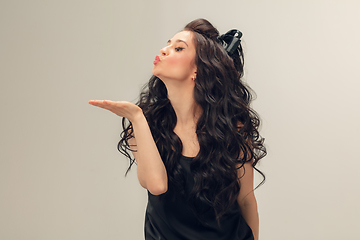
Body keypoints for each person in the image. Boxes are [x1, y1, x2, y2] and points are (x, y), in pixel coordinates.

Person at [89, 18, 266, 240]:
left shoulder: (232, 130)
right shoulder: (144, 124)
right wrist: (137, 117)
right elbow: (157, 185)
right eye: (167, 44)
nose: (164, 50)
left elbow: (246, 200)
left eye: (178, 48)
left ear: (198, 70)